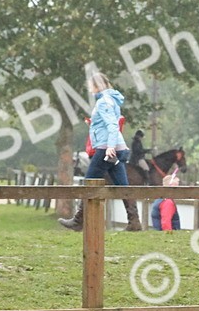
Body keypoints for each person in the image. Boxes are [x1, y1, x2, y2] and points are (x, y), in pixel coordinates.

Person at [59, 70, 142, 231]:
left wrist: (109, 146)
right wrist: (94, 125)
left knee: (89, 181)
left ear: (97, 86)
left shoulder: (103, 102)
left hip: (107, 149)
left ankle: (78, 221)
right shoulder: (112, 100)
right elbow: (109, 124)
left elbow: (112, 125)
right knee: (123, 186)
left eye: (91, 85)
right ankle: (134, 221)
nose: (89, 89)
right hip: (116, 148)